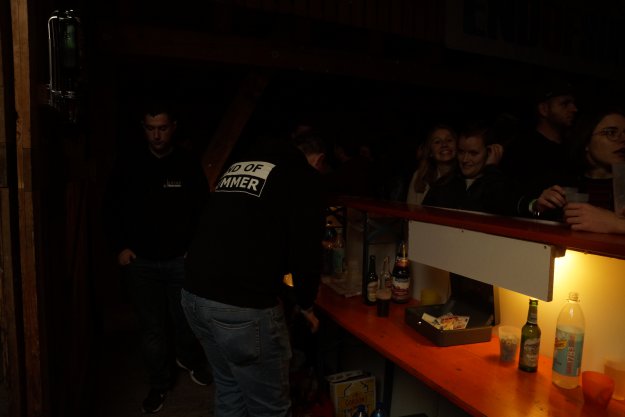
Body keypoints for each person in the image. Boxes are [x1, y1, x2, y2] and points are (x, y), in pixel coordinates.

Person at [181, 132, 326, 417]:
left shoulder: (241, 164)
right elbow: (306, 250)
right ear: (319, 160)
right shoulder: (304, 176)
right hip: (241, 309)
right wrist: (306, 303)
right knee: (270, 409)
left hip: (194, 296)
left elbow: (248, 234)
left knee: (230, 389)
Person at [103, 100, 211, 414]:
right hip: (141, 263)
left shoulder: (188, 164)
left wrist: (195, 249)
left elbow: (203, 210)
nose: (157, 135)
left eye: (162, 128)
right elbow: (110, 209)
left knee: (186, 320)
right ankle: (159, 384)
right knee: (152, 329)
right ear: (144, 129)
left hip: (180, 260)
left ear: (173, 127)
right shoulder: (129, 164)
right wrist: (119, 247)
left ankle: (189, 359)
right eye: (151, 129)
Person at [532, 107, 625, 233]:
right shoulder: (565, 183)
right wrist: (539, 207)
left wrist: (615, 223)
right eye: (611, 132)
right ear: (586, 142)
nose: (623, 139)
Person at [500, 78, 578, 214]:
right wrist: (533, 204)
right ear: (544, 109)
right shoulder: (521, 148)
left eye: (573, 103)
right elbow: (503, 194)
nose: (574, 109)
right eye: (565, 104)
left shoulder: (573, 149)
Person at [423, 122, 519, 216]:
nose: (465, 159)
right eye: (461, 152)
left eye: (473, 153)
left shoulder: (500, 185)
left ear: (490, 152)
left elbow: (502, 205)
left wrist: (491, 169)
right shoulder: (443, 184)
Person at [406, 124, 458, 205]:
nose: (444, 145)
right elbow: (410, 209)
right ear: (430, 152)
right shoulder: (420, 176)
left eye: (449, 140)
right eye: (437, 142)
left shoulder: (465, 176)